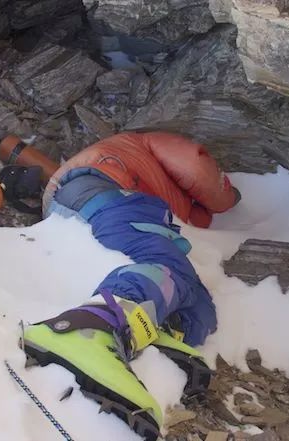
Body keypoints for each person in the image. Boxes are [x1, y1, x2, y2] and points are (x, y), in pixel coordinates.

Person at [22, 132, 241, 440]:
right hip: (100, 192)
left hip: (82, 204)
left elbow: (192, 214)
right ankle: (88, 328)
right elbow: (195, 164)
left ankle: (151, 331)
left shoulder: (152, 178)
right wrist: (229, 196)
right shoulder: (142, 142)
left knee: (198, 305)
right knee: (169, 271)